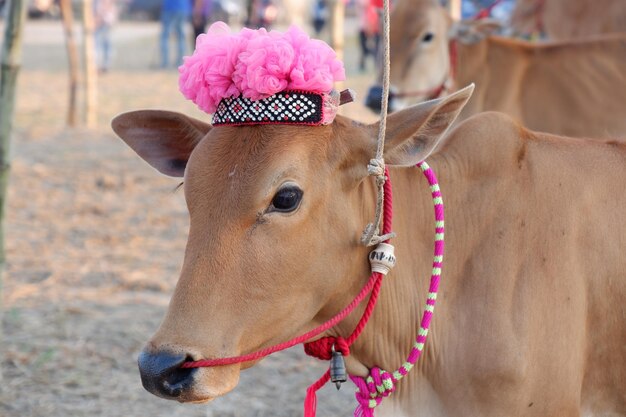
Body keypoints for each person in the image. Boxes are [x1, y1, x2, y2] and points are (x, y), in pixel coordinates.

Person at [160, 0, 192, 68]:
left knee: (165, 36)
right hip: (182, 7)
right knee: (180, 36)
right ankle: (180, 61)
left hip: (169, 8)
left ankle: (165, 62)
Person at [94, 0, 118, 72]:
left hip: (104, 22)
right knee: (103, 44)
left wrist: (98, 19)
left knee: (101, 44)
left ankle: (103, 65)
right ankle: (103, 65)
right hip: (104, 22)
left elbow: (106, 7)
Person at [357, 0, 380, 72]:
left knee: (376, 48)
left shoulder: (372, 6)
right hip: (363, 27)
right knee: (363, 49)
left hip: (374, 28)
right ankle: (362, 64)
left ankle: (376, 63)